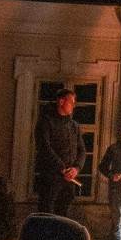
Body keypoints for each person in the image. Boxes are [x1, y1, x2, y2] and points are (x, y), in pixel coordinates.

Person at [34, 88, 86, 217]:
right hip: (50, 178)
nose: (74, 106)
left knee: (63, 215)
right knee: (47, 215)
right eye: (71, 102)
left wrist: (76, 168)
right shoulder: (46, 122)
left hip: (68, 181)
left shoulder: (74, 126)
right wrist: (62, 168)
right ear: (61, 101)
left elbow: (82, 150)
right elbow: (44, 148)